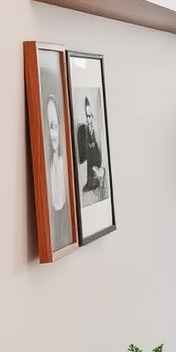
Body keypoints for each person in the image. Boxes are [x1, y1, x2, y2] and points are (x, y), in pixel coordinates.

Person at [45, 95, 72, 250]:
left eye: (56, 125)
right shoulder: (49, 169)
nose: (54, 135)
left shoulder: (64, 165)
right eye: (50, 127)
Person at [76, 94, 107, 204]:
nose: (90, 119)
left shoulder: (94, 132)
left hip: (97, 172)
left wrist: (100, 169)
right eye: (87, 116)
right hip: (89, 175)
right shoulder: (82, 131)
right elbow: (82, 158)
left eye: (91, 116)